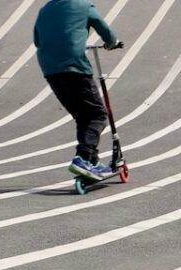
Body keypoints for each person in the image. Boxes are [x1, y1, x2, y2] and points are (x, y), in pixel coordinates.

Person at [33, 0, 121, 179]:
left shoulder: (45, 10)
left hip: (50, 69)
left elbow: (37, 40)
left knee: (83, 115)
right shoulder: (84, 6)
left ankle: (92, 161)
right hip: (75, 66)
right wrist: (113, 43)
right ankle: (82, 158)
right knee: (98, 115)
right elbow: (106, 32)